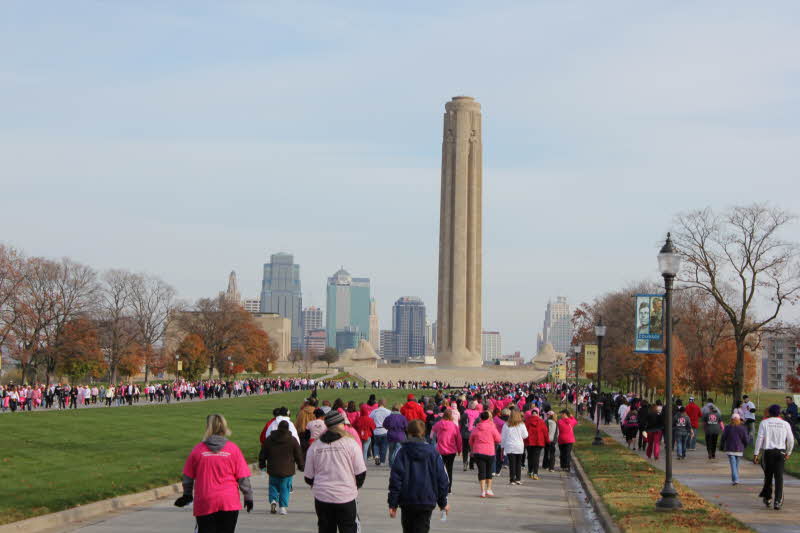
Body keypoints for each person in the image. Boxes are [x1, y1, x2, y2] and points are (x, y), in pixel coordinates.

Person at [175, 414, 253, 533]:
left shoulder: (198, 450)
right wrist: (248, 496)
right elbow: (243, 477)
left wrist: (187, 495)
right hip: (228, 501)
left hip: (205, 500)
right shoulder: (233, 449)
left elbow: (188, 476)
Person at [304, 410, 367, 533]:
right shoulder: (350, 443)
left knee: (326, 528)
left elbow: (308, 476)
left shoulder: (315, 446)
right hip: (345, 496)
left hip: (323, 497)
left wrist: (316, 485)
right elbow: (360, 472)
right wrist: (355, 486)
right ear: (340, 425)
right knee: (348, 528)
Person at [388, 419, 450, 533]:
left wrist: (393, 503)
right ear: (423, 433)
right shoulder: (433, 452)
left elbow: (396, 479)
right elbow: (443, 479)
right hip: (426, 499)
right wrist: (443, 502)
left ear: (408, 433)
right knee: (422, 528)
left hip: (407, 500)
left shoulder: (402, 451)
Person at [259, 420, 304, 515]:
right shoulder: (292, 440)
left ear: (278, 428)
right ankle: (283, 507)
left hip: (273, 468)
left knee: (273, 485)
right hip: (287, 469)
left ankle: (273, 500)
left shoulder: (270, 439)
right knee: (285, 487)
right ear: (288, 428)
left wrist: (262, 465)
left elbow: (263, 453)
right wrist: (301, 465)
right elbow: (298, 454)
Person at [754, 404, 794, 509]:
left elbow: (760, 438)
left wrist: (756, 453)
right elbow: (790, 440)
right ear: (779, 413)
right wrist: (788, 452)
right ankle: (778, 501)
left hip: (768, 453)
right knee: (779, 477)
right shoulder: (785, 424)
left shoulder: (764, 423)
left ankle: (767, 498)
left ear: (770, 412)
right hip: (780, 452)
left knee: (768, 476)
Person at [469, 411, 501, 497]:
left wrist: (472, 448)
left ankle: (482, 491)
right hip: (490, 451)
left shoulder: (476, 428)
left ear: (480, 418)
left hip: (478, 451)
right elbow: (498, 439)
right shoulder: (492, 427)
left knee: (481, 471)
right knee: (489, 470)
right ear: (488, 418)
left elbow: (471, 440)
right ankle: (489, 489)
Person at [430, 408, 461, 493]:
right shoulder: (454, 426)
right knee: (449, 469)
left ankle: (439, 486)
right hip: (451, 450)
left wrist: (431, 437)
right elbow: (458, 439)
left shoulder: (438, 424)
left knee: (439, 469)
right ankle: (448, 488)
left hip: (440, 450)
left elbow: (432, 431)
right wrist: (459, 449)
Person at [720, 414, 749, 486]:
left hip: (730, 448)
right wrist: (745, 445)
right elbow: (745, 439)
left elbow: (723, 437)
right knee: (736, 464)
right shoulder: (742, 428)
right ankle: (735, 479)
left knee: (733, 464)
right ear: (739, 420)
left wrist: (722, 446)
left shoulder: (727, 427)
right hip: (739, 449)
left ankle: (735, 479)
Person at [501, 409, 528, 485]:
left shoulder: (506, 424)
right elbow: (525, 435)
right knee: (518, 463)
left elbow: (503, 437)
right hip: (519, 445)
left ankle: (512, 479)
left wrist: (502, 447)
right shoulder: (522, 424)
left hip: (510, 446)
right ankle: (518, 479)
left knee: (512, 463)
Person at [524, 408, 548, 479]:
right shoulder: (541, 422)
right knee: (536, 458)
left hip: (529, 442)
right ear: (537, 414)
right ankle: (535, 473)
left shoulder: (527, 422)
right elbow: (545, 432)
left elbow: (524, 433)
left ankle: (530, 472)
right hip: (539, 442)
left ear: (531, 414)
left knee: (530, 457)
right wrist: (547, 441)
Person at [369, 399, 392, 466]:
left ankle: (376, 455)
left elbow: (370, 418)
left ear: (378, 404)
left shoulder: (374, 411)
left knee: (376, 444)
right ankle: (382, 461)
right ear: (385, 404)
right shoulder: (388, 411)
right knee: (384, 446)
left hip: (376, 430)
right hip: (384, 430)